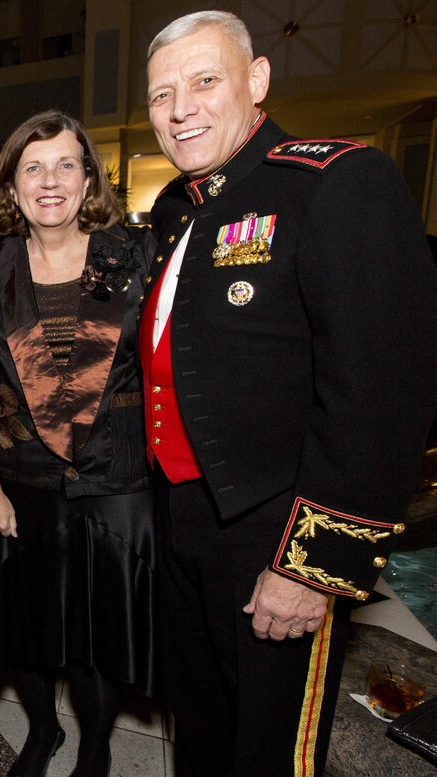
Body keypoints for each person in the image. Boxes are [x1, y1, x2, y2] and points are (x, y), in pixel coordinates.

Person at [143, 11, 437, 776]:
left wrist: (313, 566)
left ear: (258, 80)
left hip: (277, 530)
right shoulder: (180, 210)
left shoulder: (337, 182)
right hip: (186, 518)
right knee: (202, 721)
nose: (181, 109)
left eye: (204, 81)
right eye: (161, 94)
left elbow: (380, 399)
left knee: (271, 747)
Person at [0, 110, 155, 777]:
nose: (50, 181)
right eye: (31, 168)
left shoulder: (132, 256)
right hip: (23, 484)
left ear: (88, 177)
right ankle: (43, 733)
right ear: (11, 188)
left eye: (66, 164)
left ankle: (94, 748)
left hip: (115, 483)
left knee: (97, 641)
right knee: (30, 636)